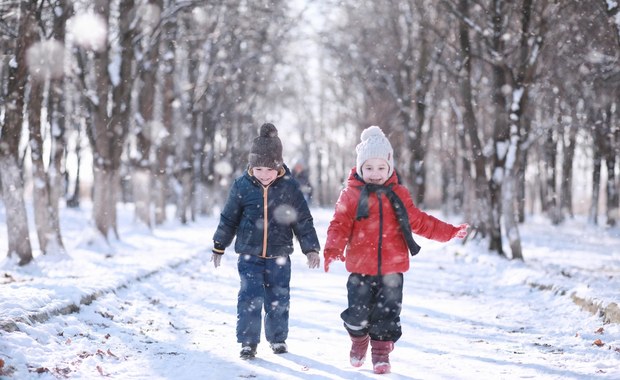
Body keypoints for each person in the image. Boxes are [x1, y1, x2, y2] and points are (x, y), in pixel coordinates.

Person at [323, 126, 468, 374]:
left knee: (387, 316)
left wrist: (449, 231)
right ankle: (359, 340)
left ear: (389, 167)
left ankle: (381, 354)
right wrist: (332, 249)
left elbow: (420, 221)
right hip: (360, 268)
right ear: (359, 168)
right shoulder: (351, 195)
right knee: (357, 314)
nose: (375, 174)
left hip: (393, 269)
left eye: (381, 168)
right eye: (368, 168)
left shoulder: (398, 193)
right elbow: (338, 224)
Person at [211, 122, 321, 360]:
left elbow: (302, 219)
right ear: (251, 166)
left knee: (279, 299)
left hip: (280, 255)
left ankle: (278, 338)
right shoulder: (242, 186)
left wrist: (310, 248)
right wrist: (219, 245)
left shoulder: (289, 187)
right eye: (258, 169)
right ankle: (248, 342)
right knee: (249, 297)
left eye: (269, 169)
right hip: (249, 255)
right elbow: (228, 218)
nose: (263, 174)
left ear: (278, 166)